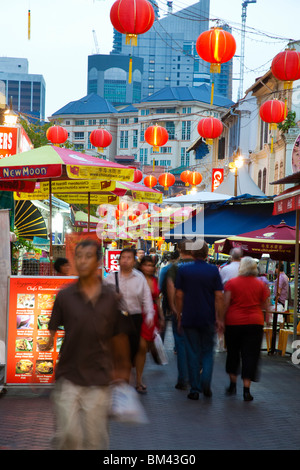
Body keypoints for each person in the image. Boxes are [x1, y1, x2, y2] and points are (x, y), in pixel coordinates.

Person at [48, 239, 131, 450]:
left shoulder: (111, 298)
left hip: (99, 378)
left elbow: (120, 338)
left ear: (98, 262)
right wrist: (46, 345)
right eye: (79, 257)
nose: (83, 261)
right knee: (68, 435)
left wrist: (122, 373)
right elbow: (53, 328)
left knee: (95, 440)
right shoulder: (65, 296)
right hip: (69, 375)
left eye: (88, 257)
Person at [175, 240, 224, 400]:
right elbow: (218, 296)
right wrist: (219, 318)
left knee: (192, 352)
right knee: (208, 352)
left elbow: (179, 295)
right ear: (207, 253)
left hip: (189, 317)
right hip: (208, 317)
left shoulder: (184, 270)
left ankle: (195, 389)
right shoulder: (213, 271)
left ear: (193, 253)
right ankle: (206, 382)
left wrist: (179, 315)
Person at [105, 248, 154, 391]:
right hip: (116, 319)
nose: (125, 260)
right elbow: (102, 298)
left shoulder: (140, 278)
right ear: (119, 260)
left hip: (135, 318)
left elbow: (147, 299)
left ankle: (129, 378)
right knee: (118, 351)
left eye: (129, 258)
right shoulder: (110, 278)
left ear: (134, 261)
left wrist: (150, 314)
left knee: (134, 349)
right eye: (123, 257)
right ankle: (120, 382)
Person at [223, 257, 270, 402]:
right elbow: (266, 306)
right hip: (255, 323)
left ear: (241, 268)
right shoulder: (261, 285)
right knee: (250, 355)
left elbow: (226, 303)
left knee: (233, 353)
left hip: (233, 322)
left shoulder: (231, 283)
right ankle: (246, 390)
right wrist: (267, 321)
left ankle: (232, 384)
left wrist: (220, 320)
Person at [166, 241, 194, 391]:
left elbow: (172, 289)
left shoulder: (175, 268)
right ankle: (195, 376)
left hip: (181, 311)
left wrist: (174, 309)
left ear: (179, 250)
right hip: (198, 312)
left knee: (182, 346)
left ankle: (183, 379)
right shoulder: (202, 267)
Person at [136, 255, 165, 392]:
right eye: (146, 265)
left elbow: (158, 300)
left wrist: (162, 316)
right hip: (138, 313)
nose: (149, 268)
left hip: (151, 315)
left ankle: (138, 375)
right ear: (141, 266)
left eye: (151, 265)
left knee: (145, 346)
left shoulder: (155, 279)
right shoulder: (136, 279)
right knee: (141, 347)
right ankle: (138, 379)